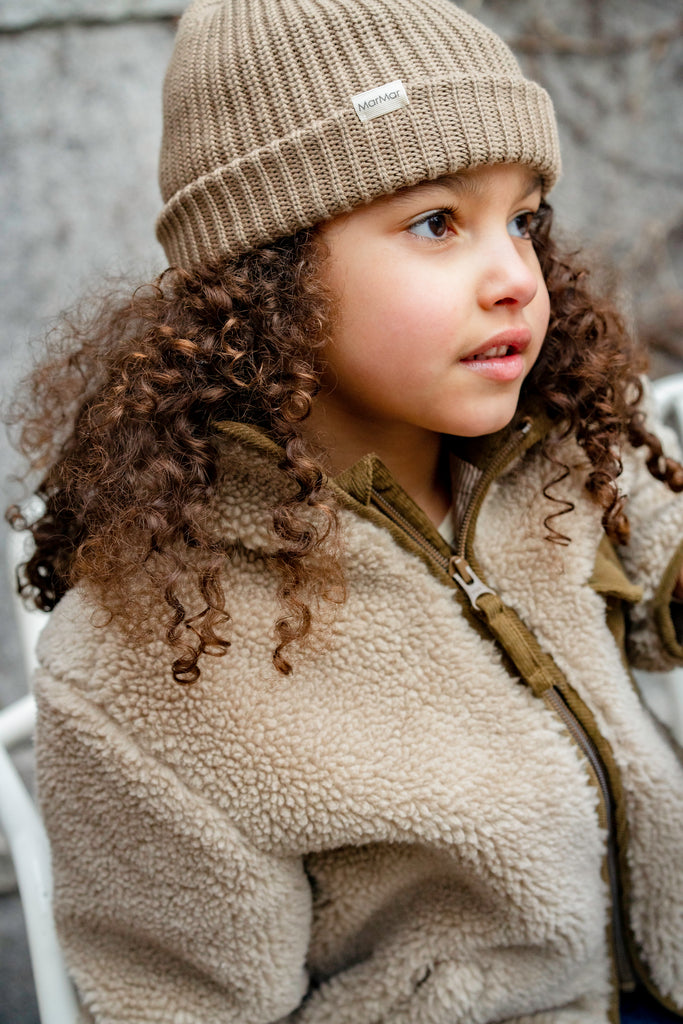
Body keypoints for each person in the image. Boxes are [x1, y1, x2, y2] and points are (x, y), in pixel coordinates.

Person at [6, 0, 683, 1021]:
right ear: (264, 278)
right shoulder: (151, 656)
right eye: (435, 222)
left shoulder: (552, 451)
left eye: (523, 219)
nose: (516, 277)